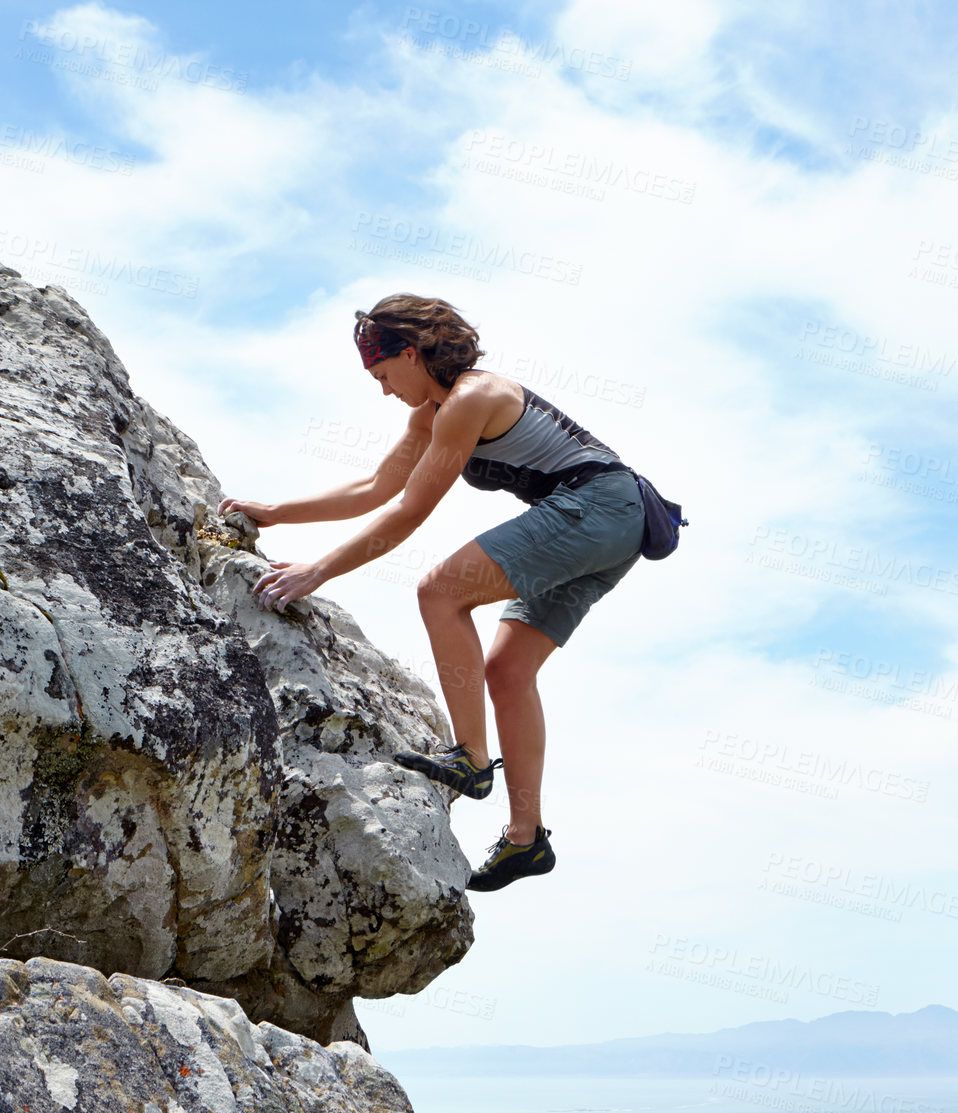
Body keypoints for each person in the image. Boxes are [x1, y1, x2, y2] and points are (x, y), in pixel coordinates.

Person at [220, 293, 647, 893]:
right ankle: (527, 841)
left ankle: (470, 757)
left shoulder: (471, 399)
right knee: (506, 672)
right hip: (613, 525)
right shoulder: (432, 412)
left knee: (440, 591)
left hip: (598, 506)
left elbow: (410, 512)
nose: (385, 390)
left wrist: (317, 573)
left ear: (413, 354)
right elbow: (376, 488)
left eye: (384, 374)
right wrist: (275, 513)